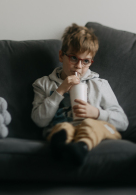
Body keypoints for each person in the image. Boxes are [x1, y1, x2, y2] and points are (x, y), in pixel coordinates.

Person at [31, 23, 128, 165]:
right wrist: (60, 91)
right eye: (73, 58)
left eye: (86, 61)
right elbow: (40, 121)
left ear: (91, 62)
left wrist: (96, 113)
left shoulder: (100, 84)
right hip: (62, 128)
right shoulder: (43, 84)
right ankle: (60, 145)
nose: (78, 66)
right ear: (61, 55)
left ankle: (82, 146)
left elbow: (123, 122)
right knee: (62, 127)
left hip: (94, 128)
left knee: (90, 124)